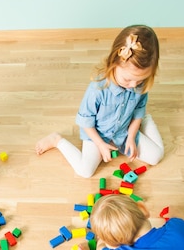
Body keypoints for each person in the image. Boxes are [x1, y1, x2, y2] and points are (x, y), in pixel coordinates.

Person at [35, 25, 165, 178]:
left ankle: (146, 121)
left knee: (156, 156)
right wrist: (100, 144)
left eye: (140, 80)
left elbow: (138, 110)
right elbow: (85, 122)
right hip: (98, 134)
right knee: (85, 171)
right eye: (128, 79)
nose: (134, 85)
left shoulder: (139, 85)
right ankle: (57, 140)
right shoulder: (98, 88)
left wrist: (131, 136)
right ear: (114, 63)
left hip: (123, 132)